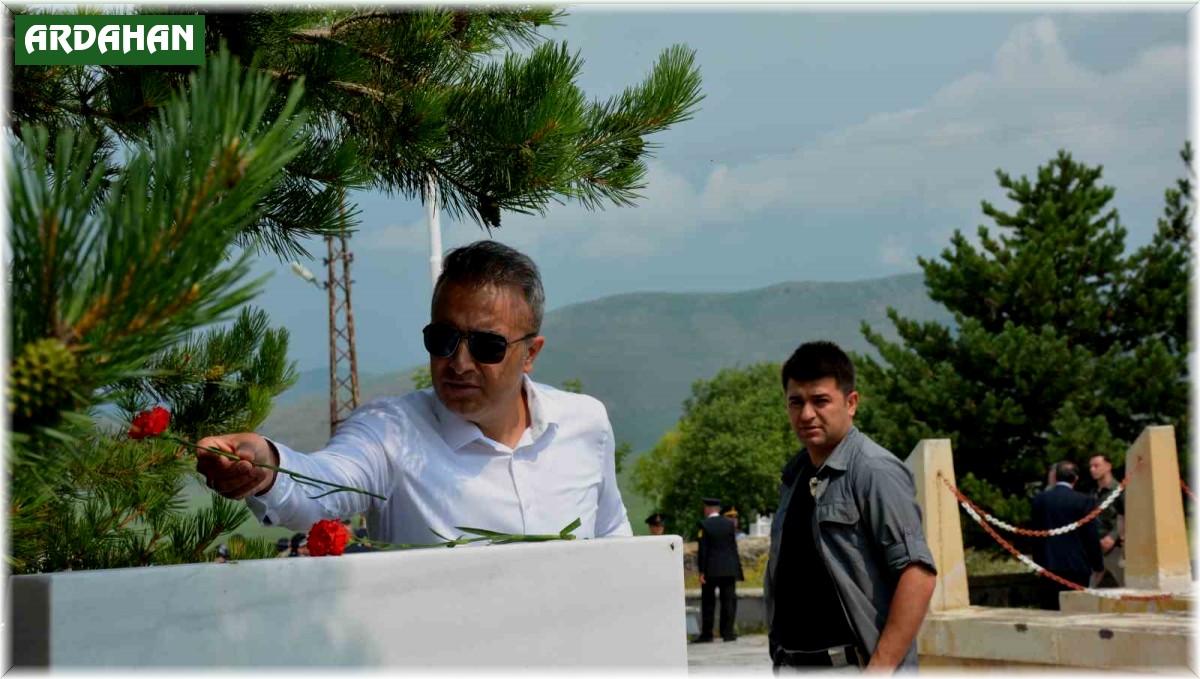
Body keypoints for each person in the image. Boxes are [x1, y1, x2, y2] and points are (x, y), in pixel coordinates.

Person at [193, 241, 632, 543]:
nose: (459, 363)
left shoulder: (585, 424)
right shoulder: (390, 433)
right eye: (443, 339)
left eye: (486, 346)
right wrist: (267, 466)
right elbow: (322, 485)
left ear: (530, 353)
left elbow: (614, 536)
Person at [765, 341, 937, 673]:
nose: (806, 414)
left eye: (820, 401)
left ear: (851, 403)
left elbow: (918, 575)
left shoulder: (873, 470)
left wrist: (879, 669)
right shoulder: (795, 476)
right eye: (796, 402)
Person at [1031, 461, 1104, 610]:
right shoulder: (1084, 501)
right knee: (1076, 611)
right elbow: (1090, 535)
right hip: (1076, 566)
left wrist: (1038, 564)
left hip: (1048, 564)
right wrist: (1097, 564)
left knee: (1050, 611)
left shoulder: (1040, 500)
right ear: (1076, 478)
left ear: (1056, 477)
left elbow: (1036, 536)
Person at [695, 497, 742, 644]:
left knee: (708, 602)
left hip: (711, 570)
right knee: (728, 601)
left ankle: (707, 634)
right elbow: (733, 548)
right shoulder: (729, 525)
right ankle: (727, 633)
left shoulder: (704, 525)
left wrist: (701, 571)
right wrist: (737, 570)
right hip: (728, 569)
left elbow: (703, 550)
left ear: (708, 509)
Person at [1088, 454, 1124, 588]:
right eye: (1090, 466)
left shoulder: (1120, 490)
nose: (1092, 469)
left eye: (1096, 466)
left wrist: (1113, 536)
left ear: (1108, 466)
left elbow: (1128, 516)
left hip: (1116, 549)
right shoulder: (1092, 493)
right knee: (1087, 589)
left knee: (1128, 586)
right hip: (1095, 549)